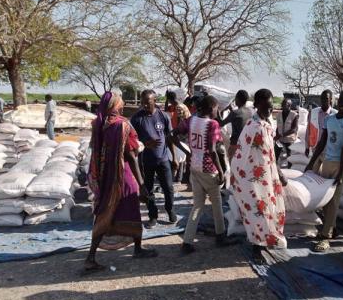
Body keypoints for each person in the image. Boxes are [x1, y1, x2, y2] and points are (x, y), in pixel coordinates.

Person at [85, 91, 157, 272]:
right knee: (132, 208)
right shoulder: (123, 125)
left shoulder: (98, 123)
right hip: (122, 175)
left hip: (104, 176)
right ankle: (138, 249)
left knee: (104, 212)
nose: (123, 104)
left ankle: (91, 256)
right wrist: (141, 184)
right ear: (116, 105)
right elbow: (131, 156)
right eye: (121, 102)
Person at [172, 95, 238, 253]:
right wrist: (221, 172)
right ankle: (220, 236)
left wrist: (186, 153)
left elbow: (172, 136)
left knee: (197, 205)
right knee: (216, 204)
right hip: (209, 169)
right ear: (211, 108)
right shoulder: (212, 124)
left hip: (194, 168)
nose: (218, 111)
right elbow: (213, 151)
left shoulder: (191, 120)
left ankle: (187, 242)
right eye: (216, 108)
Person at [230, 89, 288, 264]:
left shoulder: (266, 124)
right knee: (258, 212)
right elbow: (240, 154)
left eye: (271, 108)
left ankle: (264, 242)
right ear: (256, 105)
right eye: (266, 107)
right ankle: (257, 247)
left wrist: (278, 173)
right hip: (251, 180)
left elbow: (269, 154)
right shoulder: (252, 127)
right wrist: (237, 177)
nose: (270, 111)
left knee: (269, 210)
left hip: (266, 178)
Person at [306, 90, 343, 252]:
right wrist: (312, 162)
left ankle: (325, 238)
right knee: (324, 199)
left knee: (333, 200)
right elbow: (322, 142)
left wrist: (341, 172)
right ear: (337, 101)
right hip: (328, 162)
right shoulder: (329, 120)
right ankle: (331, 228)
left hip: (342, 164)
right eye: (342, 101)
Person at [131, 90, 178, 228]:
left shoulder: (163, 116)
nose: (144, 105)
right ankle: (153, 216)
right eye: (142, 103)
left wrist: (174, 157)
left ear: (154, 101)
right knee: (149, 189)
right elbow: (132, 142)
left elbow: (169, 138)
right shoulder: (136, 119)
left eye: (147, 102)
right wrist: (145, 144)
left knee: (168, 187)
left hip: (163, 159)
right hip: (146, 161)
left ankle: (170, 210)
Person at [218, 90, 252, 161]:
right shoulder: (250, 111)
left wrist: (219, 111)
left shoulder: (235, 113)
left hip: (235, 144)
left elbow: (221, 123)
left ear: (238, 99)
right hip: (247, 144)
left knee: (234, 166)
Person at [305, 90, 338, 163]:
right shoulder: (313, 112)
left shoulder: (336, 114)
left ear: (330, 100)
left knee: (325, 173)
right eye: (322, 98)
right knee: (314, 172)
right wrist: (307, 147)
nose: (323, 101)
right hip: (316, 149)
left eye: (326, 98)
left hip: (329, 151)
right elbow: (308, 130)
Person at [274, 98, 299, 164]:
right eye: (282, 104)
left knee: (289, 157)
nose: (282, 106)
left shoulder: (294, 115)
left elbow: (294, 129)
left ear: (289, 105)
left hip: (289, 139)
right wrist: (277, 136)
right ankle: (275, 168)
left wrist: (282, 135)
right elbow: (278, 127)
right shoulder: (279, 114)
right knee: (275, 155)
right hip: (280, 139)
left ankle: (289, 169)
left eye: (284, 104)